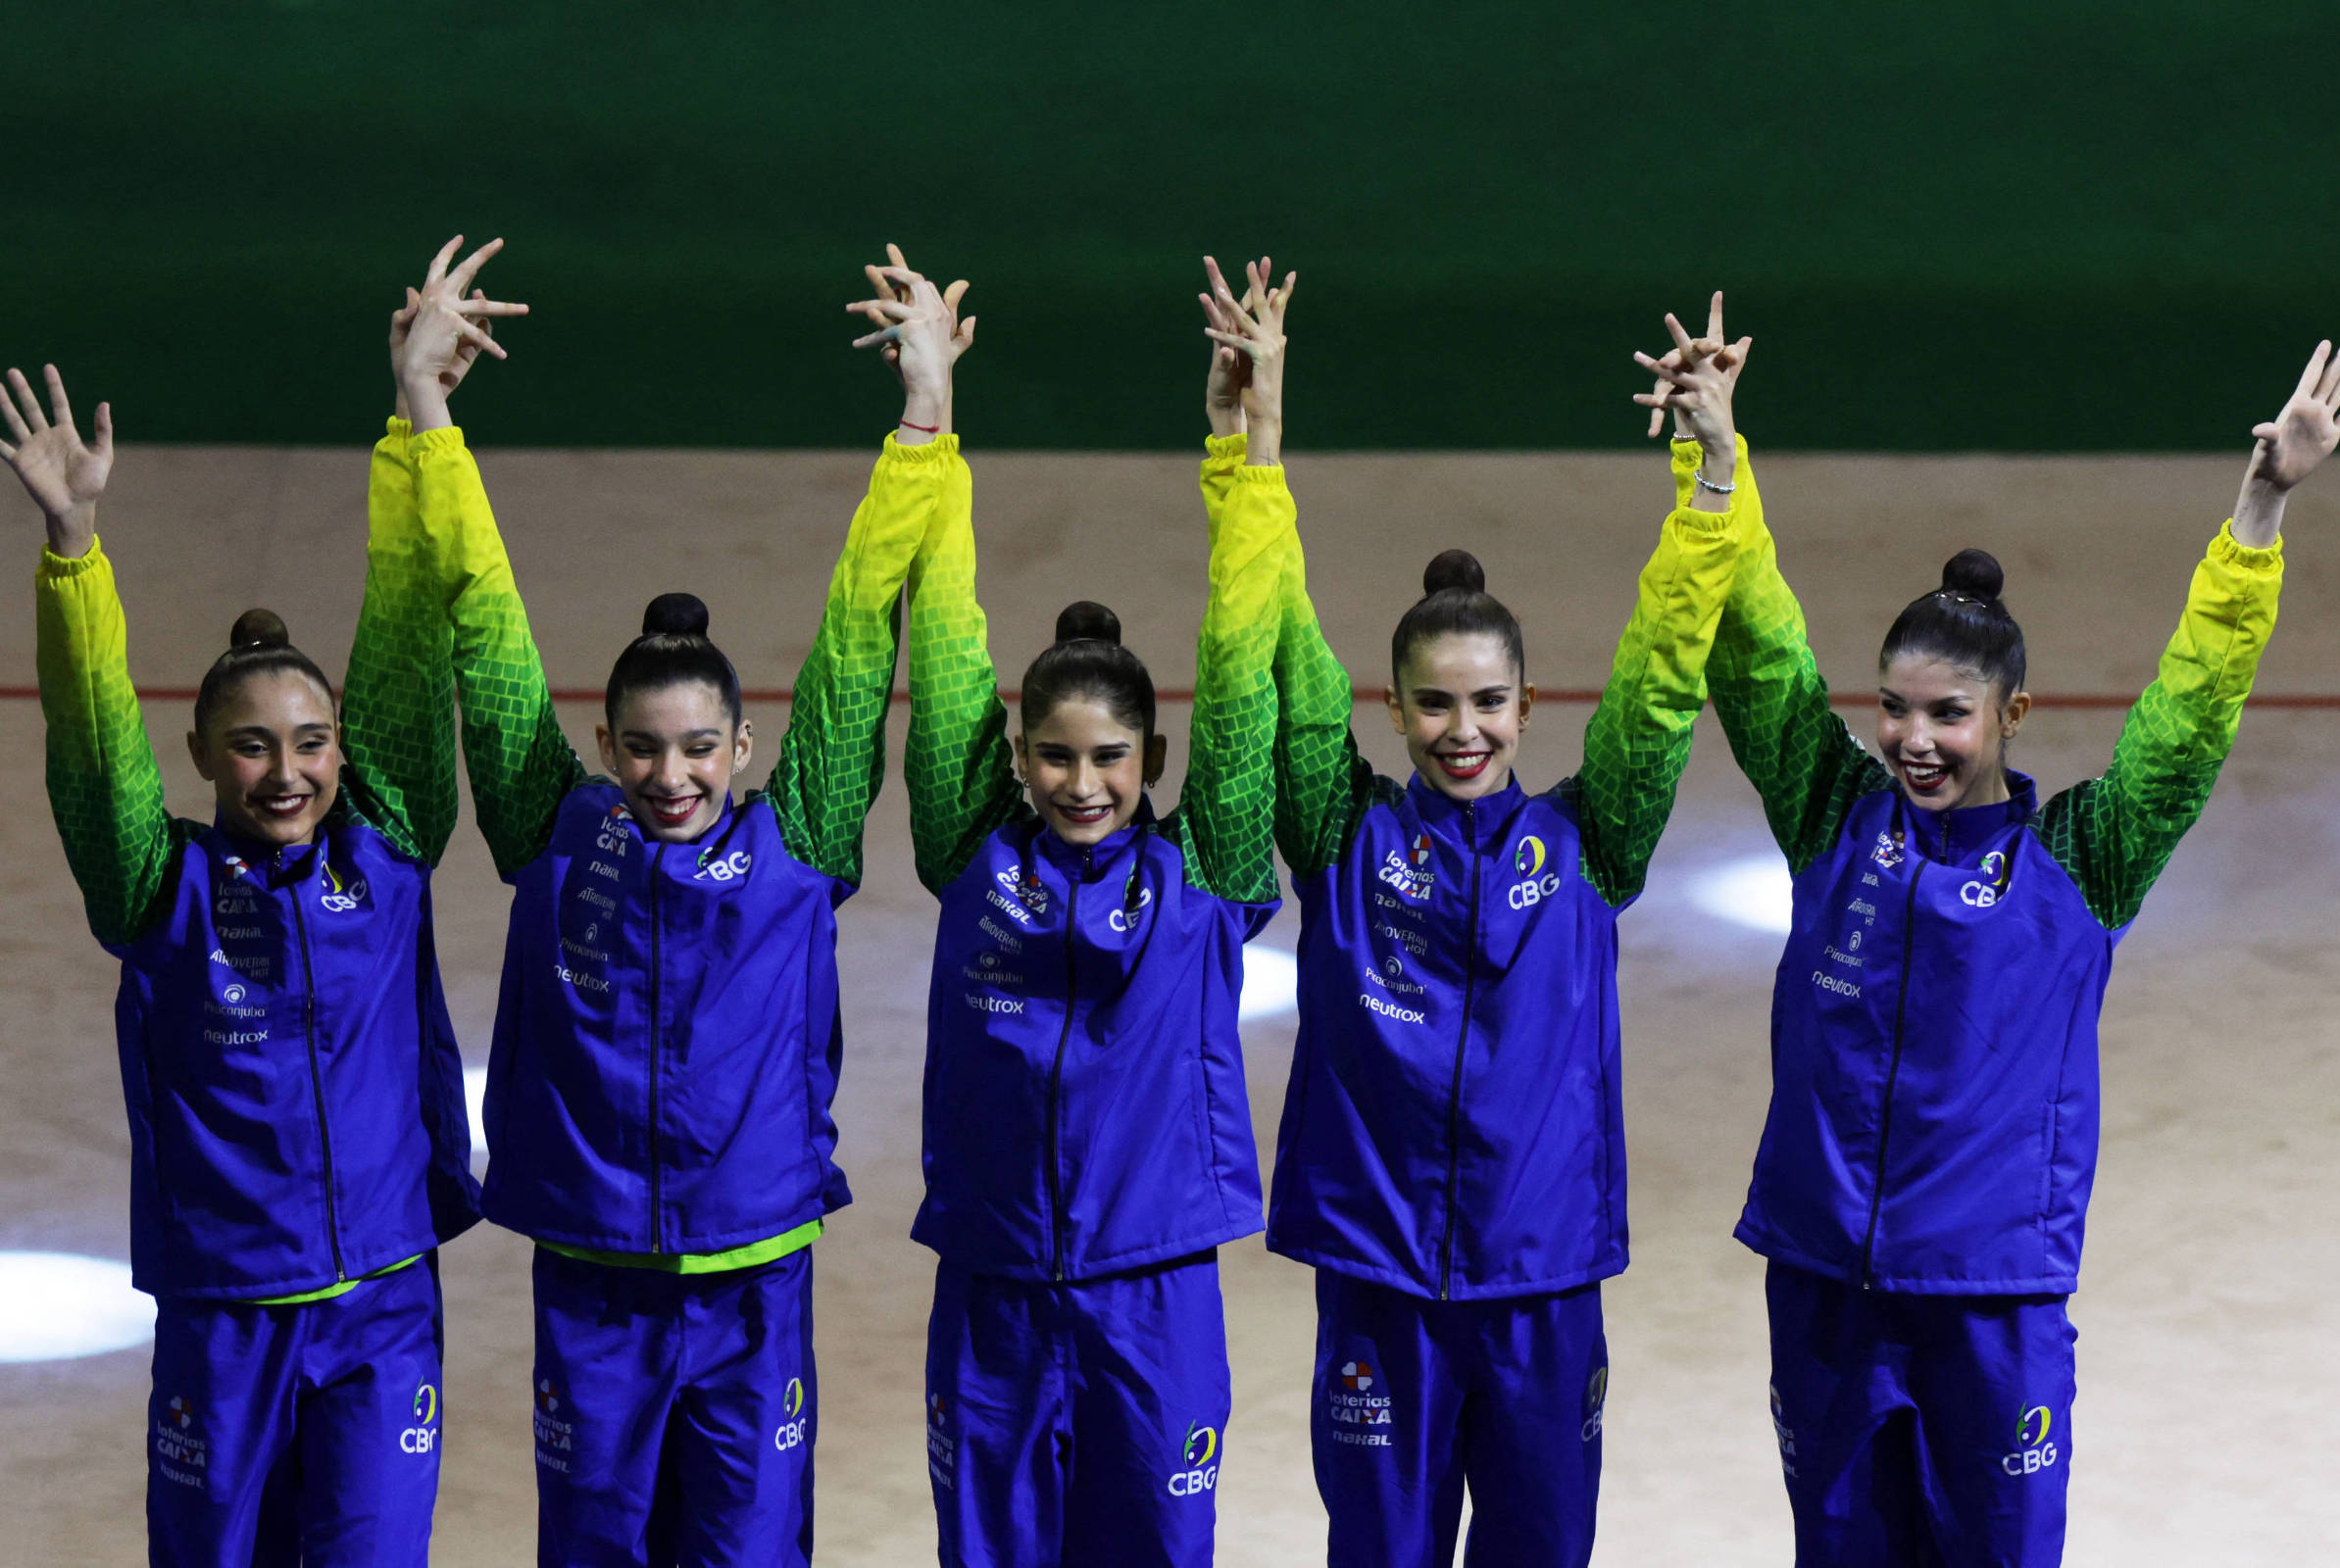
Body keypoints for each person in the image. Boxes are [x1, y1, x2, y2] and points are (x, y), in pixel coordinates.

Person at [1685, 333, 2340, 1564]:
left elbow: (2188, 718)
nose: (1913, 739)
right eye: (1895, 708)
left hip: (1992, 1305)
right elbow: (1759, 651)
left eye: (1949, 713)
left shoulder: (2080, 862)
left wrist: (2259, 509)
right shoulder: (1834, 818)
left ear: (2013, 715)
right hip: (1825, 1289)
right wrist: (1715, 465)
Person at [428, 240, 962, 1565]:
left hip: (753, 1282)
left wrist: (924, 417)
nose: (672, 776)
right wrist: (428, 416)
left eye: (700, 748)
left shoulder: (799, 844)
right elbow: (486, 630)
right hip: (593, 1281)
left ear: (742, 746)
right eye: (644, 748)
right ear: (604, 745)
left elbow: (858, 638)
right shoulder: (554, 834)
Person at [13, 249, 511, 1562]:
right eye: (251, 746)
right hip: (226, 1312)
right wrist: (74, 553)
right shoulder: (159, 889)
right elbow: (94, 751)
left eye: (310, 741)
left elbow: (405, 630)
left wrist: (416, 415)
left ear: (342, 749)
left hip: (383, 1306)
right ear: (203, 757)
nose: (286, 771)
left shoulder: (385, 853)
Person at [1251, 278, 1757, 1565]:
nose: (1462, 730)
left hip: (1542, 1281)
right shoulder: (1343, 837)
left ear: (1529, 707)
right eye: (1433, 704)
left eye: (1488, 703)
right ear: (1393, 708)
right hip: (1380, 1282)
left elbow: (1658, 684)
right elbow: (1285, 656)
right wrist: (1255, 447)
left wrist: (1710, 477)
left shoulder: (1590, 847)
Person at [889, 251, 1285, 1568]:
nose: (1080, 783)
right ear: (1019, 758)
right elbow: (947, 636)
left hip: (1154, 1296)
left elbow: (1243, 663)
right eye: (1053, 757)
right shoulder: (973, 858)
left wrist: (1247, 447)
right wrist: (930, 416)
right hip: (993, 1287)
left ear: (1152, 761)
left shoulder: (1205, 880)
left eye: (1110, 758)